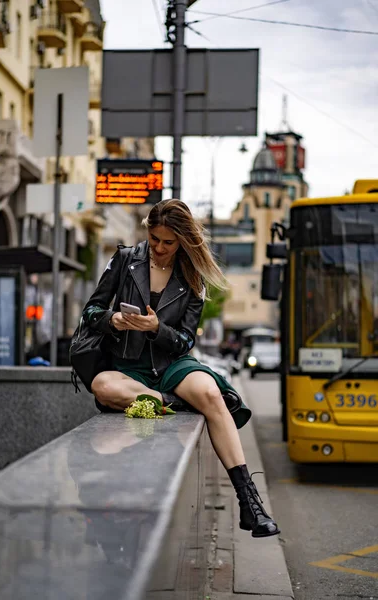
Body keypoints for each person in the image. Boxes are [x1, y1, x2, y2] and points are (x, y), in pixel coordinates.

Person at [82, 199, 279, 538]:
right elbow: (91, 311)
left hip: (171, 364)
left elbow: (186, 341)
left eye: (167, 242)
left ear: (183, 241)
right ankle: (176, 403)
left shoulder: (193, 276)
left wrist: (155, 328)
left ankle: (250, 503)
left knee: (210, 393)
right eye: (154, 238)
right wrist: (112, 319)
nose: (158, 248)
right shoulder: (126, 259)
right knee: (102, 386)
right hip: (128, 368)